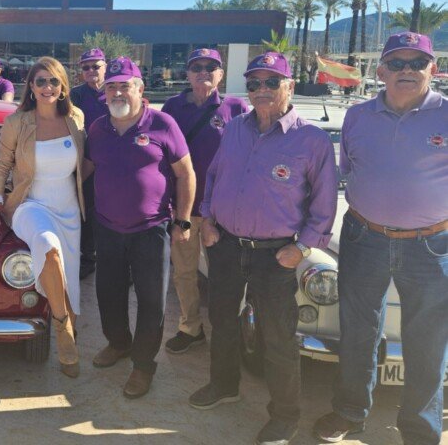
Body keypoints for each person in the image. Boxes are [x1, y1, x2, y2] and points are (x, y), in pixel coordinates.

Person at [190, 51, 337, 445]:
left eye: (272, 81)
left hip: (275, 254)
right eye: (254, 83)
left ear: (290, 86)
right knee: (222, 320)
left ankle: (285, 416)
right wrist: (207, 218)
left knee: (278, 336)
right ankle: (224, 385)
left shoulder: (312, 140)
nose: (262, 89)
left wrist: (301, 249)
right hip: (226, 244)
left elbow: (324, 207)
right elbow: (214, 175)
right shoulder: (235, 129)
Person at [312, 32, 448, 445]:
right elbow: (349, 169)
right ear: (382, 70)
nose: (407, 70)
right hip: (364, 236)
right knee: (358, 331)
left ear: (432, 69)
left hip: (431, 245)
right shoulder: (357, 117)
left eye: (417, 62)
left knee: (427, 340)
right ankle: (349, 412)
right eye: (397, 62)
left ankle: (420, 430)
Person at [87, 57, 196, 399]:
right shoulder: (98, 129)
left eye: (125, 86)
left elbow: (186, 174)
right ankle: (119, 344)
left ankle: (143, 365)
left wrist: (183, 220)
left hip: (151, 230)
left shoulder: (163, 124)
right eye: (112, 87)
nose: (118, 92)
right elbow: (84, 169)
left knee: (151, 301)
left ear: (140, 88)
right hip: (107, 228)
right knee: (108, 293)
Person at [0, 56, 88, 377]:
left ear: (63, 86)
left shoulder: (76, 117)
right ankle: (61, 328)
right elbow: (1, 166)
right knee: (48, 247)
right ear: (31, 87)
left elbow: (86, 162)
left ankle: (69, 320)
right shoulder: (17, 122)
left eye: (53, 81)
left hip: (69, 209)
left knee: (68, 278)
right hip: (29, 204)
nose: (47, 87)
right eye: (41, 81)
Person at [160, 48, 248, 354]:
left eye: (211, 67)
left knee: (224, 277)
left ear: (221, 74)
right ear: (187, 74)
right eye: (196, 67)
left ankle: (226, 333)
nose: (203, 72)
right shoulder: (172, 107)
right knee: (184, 273)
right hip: (183, 208)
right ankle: (191, 328)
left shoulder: (236, 108)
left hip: (219, 212)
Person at [69, 48, 108, 279]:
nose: (91, 70)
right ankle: (88, 258)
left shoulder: (116, 90)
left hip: (114, 163)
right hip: (86, 161)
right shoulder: (75, 95)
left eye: (96, 66)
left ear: (105, 67)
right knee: (87, 211)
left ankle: (121, 262)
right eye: (86, 67)